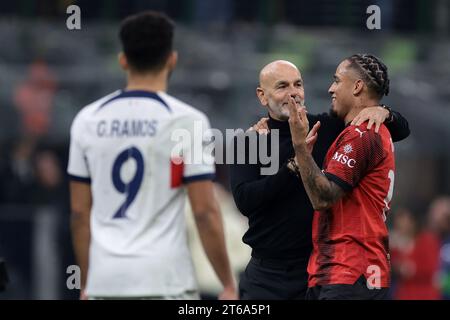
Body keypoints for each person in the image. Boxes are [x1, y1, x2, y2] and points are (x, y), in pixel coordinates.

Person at [68, 11, 237, 300]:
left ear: (123, 60)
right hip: (165, 280)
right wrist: (227, 282)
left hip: (106, 280)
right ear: (172, 58)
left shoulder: (87, 119)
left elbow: (80, 213)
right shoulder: (188, 121)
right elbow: (204, 212)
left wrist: (86, 282)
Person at [229, 59, 410, 300]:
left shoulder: (325, 126)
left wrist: (385, 112)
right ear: (263, 96)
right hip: (266, 275)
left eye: (298, 84)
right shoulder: (249, 142)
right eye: (282, 86)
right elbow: (245, 200)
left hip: (316, 269)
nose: (293, 92)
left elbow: (400, 130)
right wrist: (292, 166)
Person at [287, 54, 396, 300]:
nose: (331, 88)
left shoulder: (362, 134)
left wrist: (300, 147)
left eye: (337, 80)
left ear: (357, 86)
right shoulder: (367, 131)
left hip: (351, 271)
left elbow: (323, 199)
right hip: (342, 272)